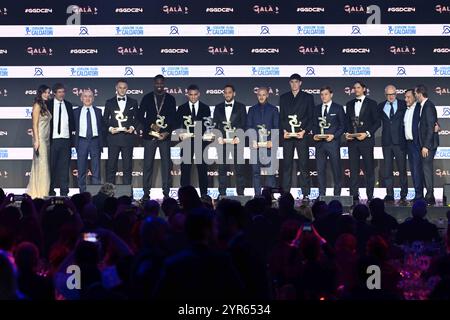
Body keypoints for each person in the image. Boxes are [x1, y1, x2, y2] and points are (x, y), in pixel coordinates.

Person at [137, 75, 177, 200]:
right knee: (148, 165)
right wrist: (150, 125)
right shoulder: (147, 97)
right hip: (149, 136)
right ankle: (145, 193)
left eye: (161, 83)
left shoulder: (170, 99)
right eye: (157, 83)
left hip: (164, 136)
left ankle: (166, 193)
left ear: (164, 84)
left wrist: (167, 132)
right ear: (154, 84)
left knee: (166, 165)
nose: (159, 85)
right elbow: (139, 116)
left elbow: (173, 118)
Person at [279, 74, 314, 199]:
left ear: (301, 83)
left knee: (304, 165)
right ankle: (286, 194)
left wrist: (304, 131)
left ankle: (305, 194)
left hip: (302, 136)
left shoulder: (308, 97)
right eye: (292, 82)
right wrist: (284, 130)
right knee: (287, 165)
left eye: (296, 82)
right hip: (288, 136)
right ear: (289, 83)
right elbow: (281, 117)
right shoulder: (283, 98)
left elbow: (311, 118)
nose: (294, 84)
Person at [345, 81, 380, 202]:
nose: (356, 90)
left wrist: (367, 134)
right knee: (353, 169)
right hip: (352, 142)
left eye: (358, 87)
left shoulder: (372, 103)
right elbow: (346, 122)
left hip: (366, 142)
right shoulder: (349, 104)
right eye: (354, 88)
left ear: (364, 89)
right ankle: (354, 195)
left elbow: (377, 122)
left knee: (369, 169)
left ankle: (370, 196)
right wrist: (347, 134)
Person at [212, 84, 247, 197]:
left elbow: (244, 124)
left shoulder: (241, 107)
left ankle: (241, 194)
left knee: (239, 170)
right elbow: (214, 125)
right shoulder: (218, 107)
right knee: (222, 170)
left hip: (237, 143)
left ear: (234, 93)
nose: (227, 94)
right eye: (225, 92)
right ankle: (222, 194)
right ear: (223, 94)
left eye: (229, 92)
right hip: (222, 144)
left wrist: (239, 137)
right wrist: (218, 137)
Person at [177, 84, 211, 197]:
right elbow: (178, 126)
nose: (193, 97)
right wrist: (180, 133)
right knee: (185, 170)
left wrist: (208, 134)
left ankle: (204, 195)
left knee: (202, 170)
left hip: (201, 143)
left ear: (199, 94)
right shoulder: (181, 108)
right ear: (187, 95)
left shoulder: (205, 108)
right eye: (191, 95)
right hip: (186, 143)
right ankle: (184, 197)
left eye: (195, 94)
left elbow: (208, 126)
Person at [103, 79, 138, 186]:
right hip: (113, 139)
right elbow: (104, 120)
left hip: (128, 139)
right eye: (120, 87)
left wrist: (132, 127)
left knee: (127, 167)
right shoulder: (109, 102)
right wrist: (110, 129)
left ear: (127, 89)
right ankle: (109, 194)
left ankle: (127, 193)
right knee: (111, 167)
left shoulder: (133, 102)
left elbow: (137, 119)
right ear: (116, 88)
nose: (122, 90)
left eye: (124, 88)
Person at [312, 86, 345, 196]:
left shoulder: (338, 108)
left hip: (333, 144)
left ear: (331, 95)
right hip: (320, 144)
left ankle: (337, 195)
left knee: (336, 170)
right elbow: (314, 125)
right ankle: (321, 195)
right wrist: (315, 135)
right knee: (320, 171)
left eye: (326, 94)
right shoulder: (316, 109)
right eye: (321, 94)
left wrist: (334, 136)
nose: (323, 96)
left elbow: (342, 126)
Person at [247, 87, 279, 196]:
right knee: (256, 173)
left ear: (268, 95)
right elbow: (249, 127)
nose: (261, 97)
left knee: (270, 172)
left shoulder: (274, 109)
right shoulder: (252, 110)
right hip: (255, 147)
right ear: (257, 95)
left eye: (264, 94)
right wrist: (253, 140)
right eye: (259, 95)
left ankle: (269, 196)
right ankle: (257, 196)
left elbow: (276, 127)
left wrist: (272, 141)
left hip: (270, 146)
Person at [379, 85, 407, 203]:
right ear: (385, 95)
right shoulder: (380, 106)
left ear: (396, 93)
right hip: (386, 142)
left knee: (402, 169)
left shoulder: (403, 104)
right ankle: (389, 193)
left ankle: (404, 194)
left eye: (393, 94)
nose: (391, 96)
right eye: (388, 94)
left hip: (400, 142)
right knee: (388, 170)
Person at [74, 89, 104, 193]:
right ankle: (82, 193)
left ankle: (96, 192)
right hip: (82, 142)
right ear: (81, 98)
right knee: (81, 169)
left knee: (96, 170)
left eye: (90, 96)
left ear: (93, 98)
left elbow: (102, 128)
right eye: (85, 96)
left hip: (95, 141)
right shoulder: (76, 112)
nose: (87, 98)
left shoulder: (98, 111)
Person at [48, 83, 75, 197]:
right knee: (52, 167)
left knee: (64, 168)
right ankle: (50, 191)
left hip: (65, 140)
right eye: (59, 92)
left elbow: (72, 122)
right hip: (53, 140)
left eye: (63, 92)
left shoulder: (68, 105)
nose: (62, 94)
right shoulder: (48, 104)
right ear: (54, 93)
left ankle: (64, 192)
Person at [415, 85, 439, 205]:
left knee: (427, 169)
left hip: (428, 145)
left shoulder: (428, 106)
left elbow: (430, 128)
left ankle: (430, 196)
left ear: (419, 93)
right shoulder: (423, 106)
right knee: (425, 169)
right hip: (425, 144)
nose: (415, 96)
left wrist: (426, 146)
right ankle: (429, 194)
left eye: (415, 93)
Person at [27, 85, 52, 199]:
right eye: (45, 92)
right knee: (42, 166)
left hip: (46, 139)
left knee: (44, 165)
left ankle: (42, 191)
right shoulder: (37, 105)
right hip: (40, 139)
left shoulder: (44, 105)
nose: (47, 94)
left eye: (48, 92)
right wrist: (36, 140)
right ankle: (40, 193)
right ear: (40, 93)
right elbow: (34, 124)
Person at [403, 89, 424, 201]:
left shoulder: (420, 108)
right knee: (413, 170)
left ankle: (419, 196)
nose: (406, 99)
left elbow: (427, 122)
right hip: (408, 144)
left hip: (417, 144)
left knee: (417, 170)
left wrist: (437, 126)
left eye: (408, 97)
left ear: (415, 97)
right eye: (405, 97)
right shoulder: (406, 110)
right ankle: (417, 195)